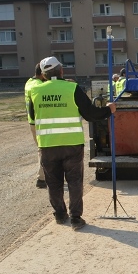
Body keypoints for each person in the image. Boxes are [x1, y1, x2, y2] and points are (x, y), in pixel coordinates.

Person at [29, 56, 116, 230]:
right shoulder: (72, 88)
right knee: (74, 181)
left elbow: (32, 116)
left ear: (43, 75)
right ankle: (76, 218)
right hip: (72, 145)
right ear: (61, 71)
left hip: (47, 145)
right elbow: (90, 114)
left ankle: (60, 215)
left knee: (53, 182)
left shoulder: (35, 91)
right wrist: (109, 110)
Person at [24, 62, 46, 188]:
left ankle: (43, 176)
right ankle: (42, 178)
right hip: (39, 122)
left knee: (41, 150)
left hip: (32, 122)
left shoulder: (29, 82)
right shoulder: (38, 86)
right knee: (44, 150)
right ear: (42, 74)